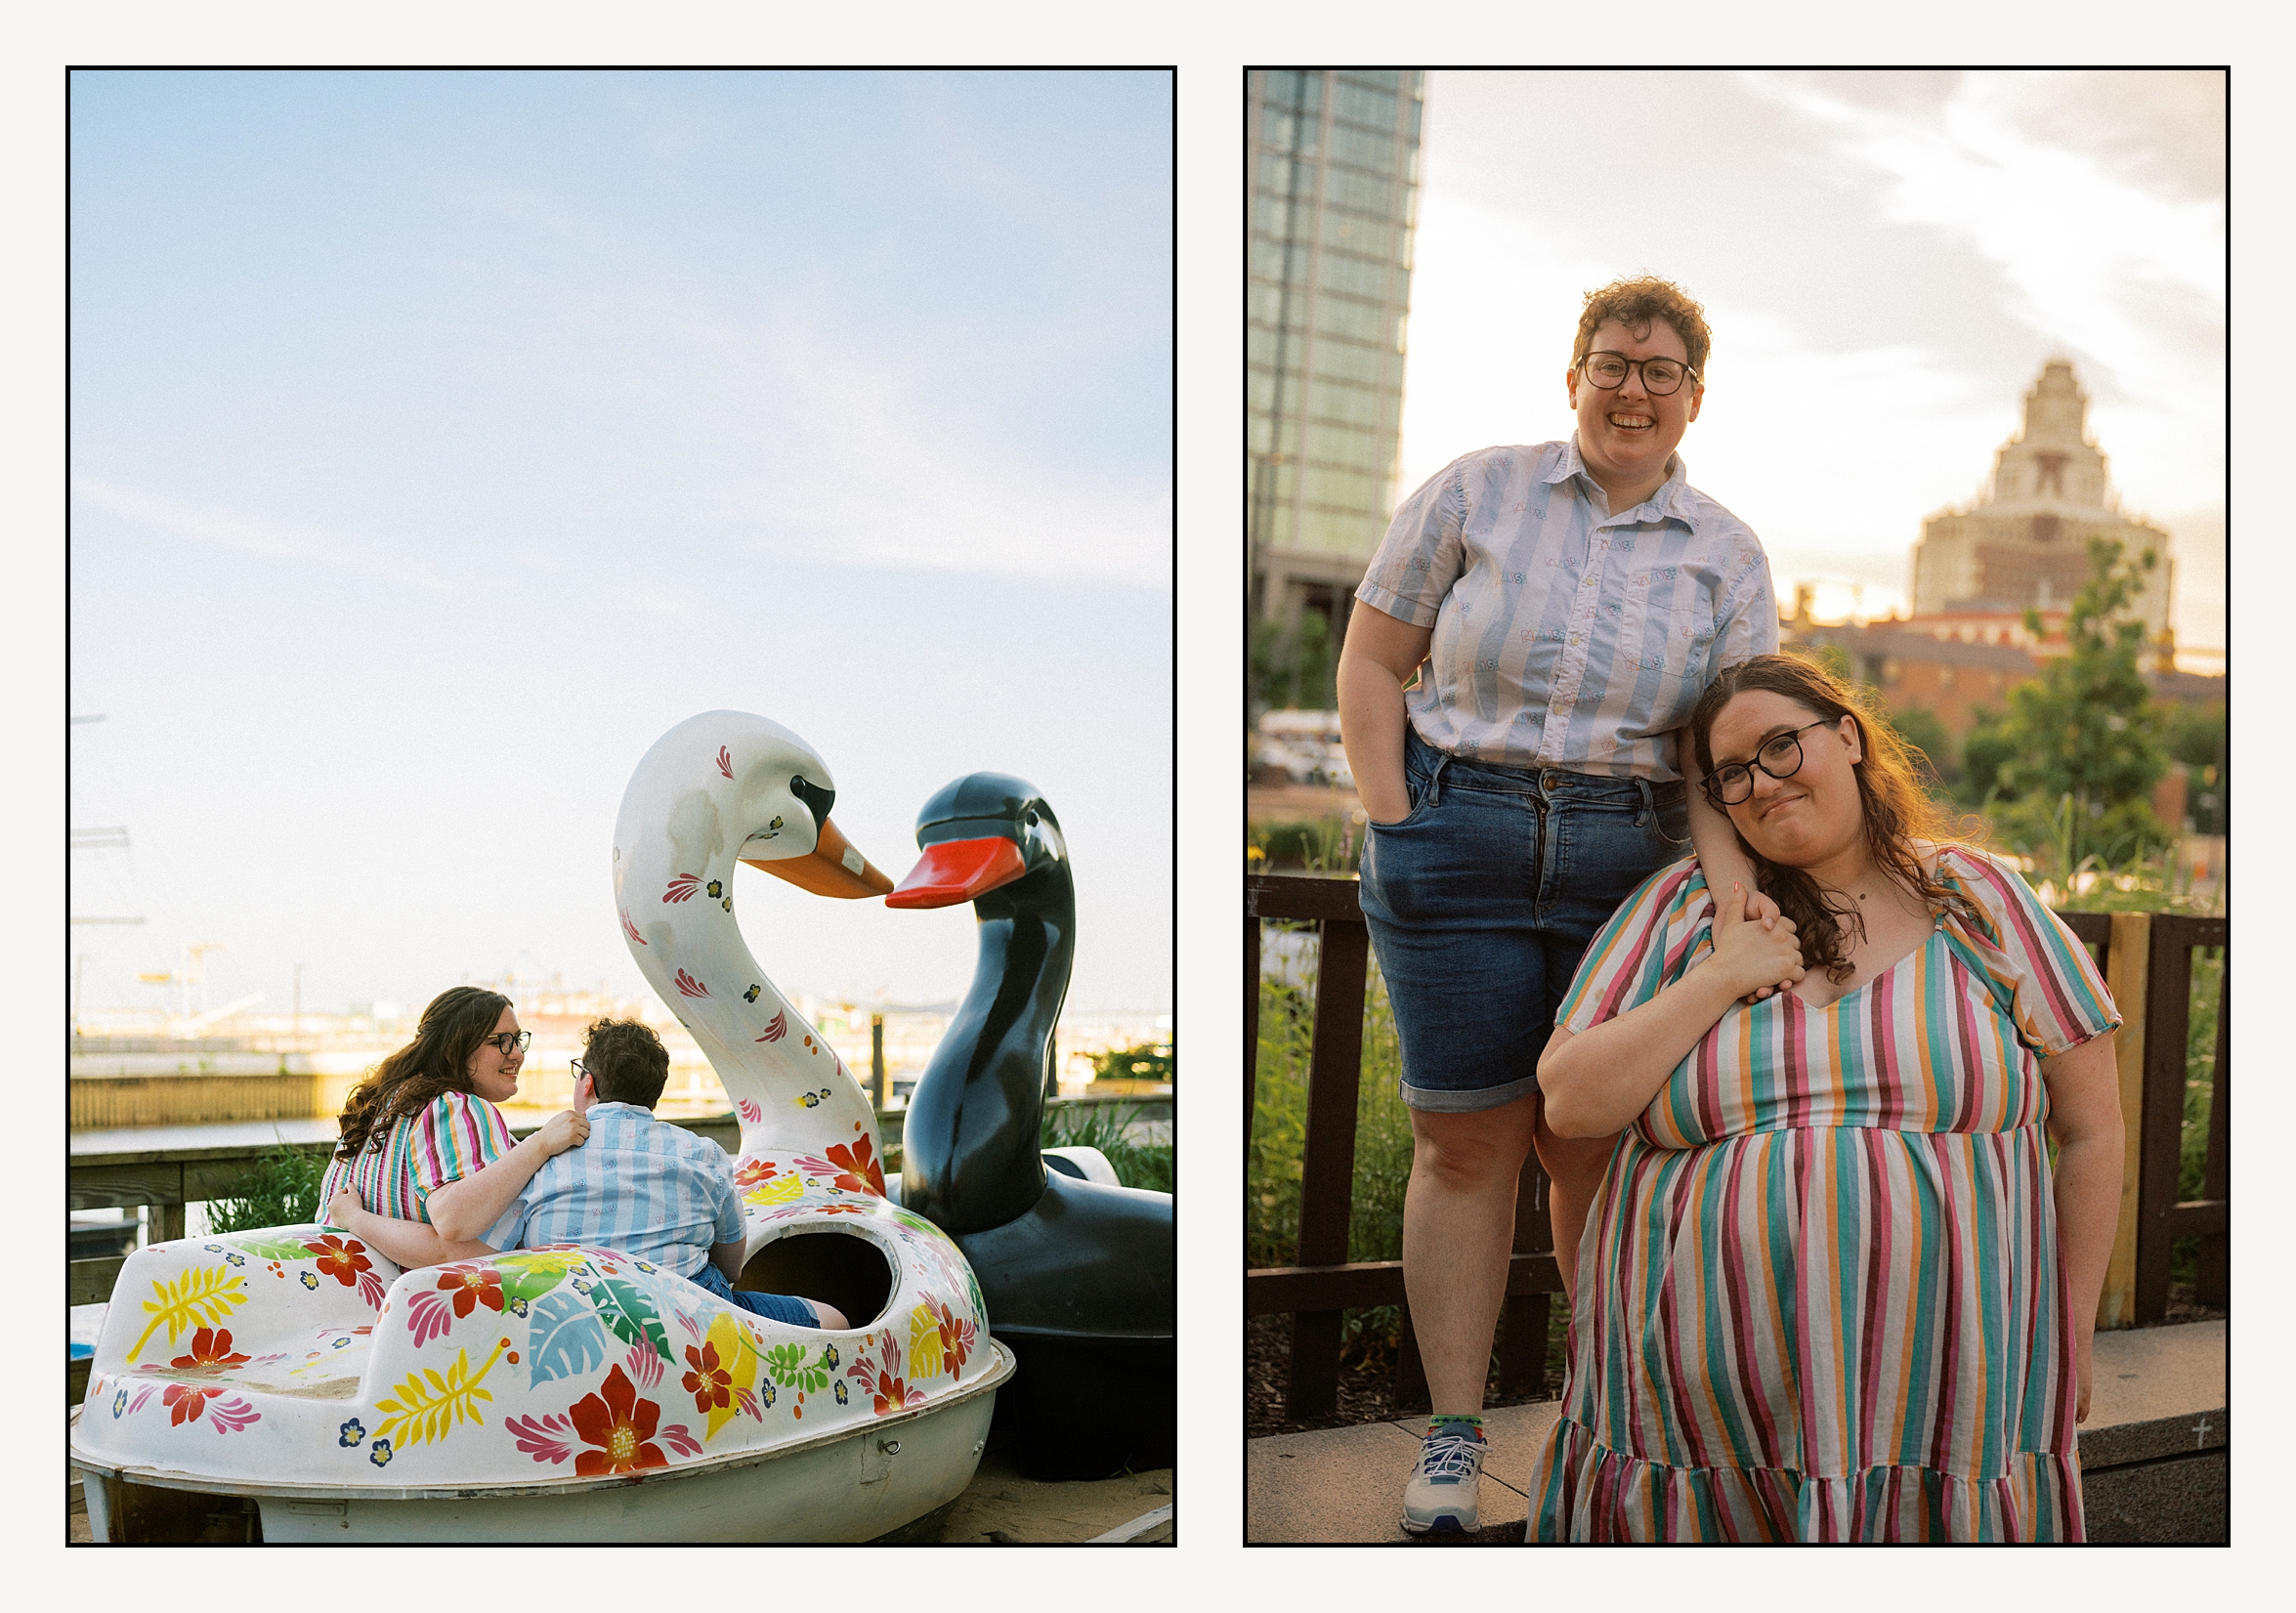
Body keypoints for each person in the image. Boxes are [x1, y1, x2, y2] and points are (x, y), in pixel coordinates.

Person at [1337, 275, 1794, 1535]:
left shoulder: (1726, 554)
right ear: (1574, 373)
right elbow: (1375, 657)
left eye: (1659, 370)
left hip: (1625, 859)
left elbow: (1721, 749)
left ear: (1694, 396)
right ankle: (1452, 1435)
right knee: (1466, 1142)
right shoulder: (1475, 489)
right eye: (1611, 362)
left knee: (1591, 1140)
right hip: (1455, 835)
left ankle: (1610, 1411)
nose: (1632, 387)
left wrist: (1732, 888)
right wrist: (1394, 812)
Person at [1524, 653, 2124, 1542]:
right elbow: (1568, 1105)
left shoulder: (1979, 898)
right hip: (1695, 1407)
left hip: (1953, 1392)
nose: (1762, 782)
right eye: (1733, 772)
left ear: (1847, 736)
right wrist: (1723, 974)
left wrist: (2070, 1325)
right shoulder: (1681, 915)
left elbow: (2094, 1127)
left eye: (1780, 746)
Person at [485, 1018, 846, 1330]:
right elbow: (733, 1268)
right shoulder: (703, 1155)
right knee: (835, 1320)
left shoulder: (537, 1157)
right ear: (653, 1092)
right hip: (696, 1323)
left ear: (588, 1083)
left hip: (573, 1320)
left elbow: (495, 1254)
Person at [321, 987, 589, 1267]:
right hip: (415, 1304)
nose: (518, 1054)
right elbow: (456, 1245)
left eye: (519, 1040)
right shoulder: (456, 1108)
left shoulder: (381, 1104)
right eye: (502, 1042)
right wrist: (540, 1144)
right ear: (453, 1051)